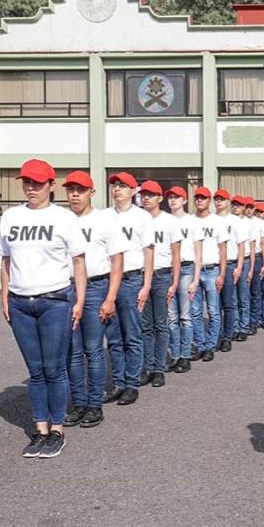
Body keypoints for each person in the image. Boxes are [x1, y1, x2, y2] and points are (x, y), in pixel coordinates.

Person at [0, 158, 86, 459]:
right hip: (21, 303)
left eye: (37, 183)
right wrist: (5, 296)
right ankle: (40, 430)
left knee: (54, 369)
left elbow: (78, 261)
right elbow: (6, 260)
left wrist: (80, 301)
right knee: (35, 371)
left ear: (51, 185)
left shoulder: (64, 219)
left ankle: (58, 429)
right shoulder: (11, 217)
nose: (31, 187)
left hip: (55, 301)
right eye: (26, 182)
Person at [63, 171, 124, 429]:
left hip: (96, 286)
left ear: (92, 192)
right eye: (71, 190)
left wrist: (110, 297)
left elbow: (117, 261)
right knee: (72, 352)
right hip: (65, 288)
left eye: (81, 190)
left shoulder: (105, 221)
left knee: (94, 349)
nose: (75, 194)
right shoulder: (61, 220)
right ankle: (78, 403)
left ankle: (94, 405)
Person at [103, 172, 154, 406]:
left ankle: (132, 383)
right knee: (113, 336)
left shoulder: (142, 217)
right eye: (115, 185)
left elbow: (149, 252)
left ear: (134, 191)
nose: (117, 190)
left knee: (132, 334)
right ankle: (119, 382)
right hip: (108, 280)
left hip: (132, 279)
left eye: (123, 186)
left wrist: (146, 285)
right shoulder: (103, 216)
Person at [141, 180, 181, 387]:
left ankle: (159, 368)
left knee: (161, 324)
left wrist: (174, 283)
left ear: (160, 198)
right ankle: (147, 367)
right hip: (140, 277)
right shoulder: (137, 219)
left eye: (151, 194)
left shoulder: (170, 222)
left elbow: (176, 255)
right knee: (145, 326)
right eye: (143, 194)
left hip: (162, 276)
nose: (146, 198)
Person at [165, 186, 203, 373]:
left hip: (187, 268)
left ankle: (186, 355)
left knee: (185, 316)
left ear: (184, 200)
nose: (173, 200)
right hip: (169, 270)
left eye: (177, 197)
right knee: (171, 317)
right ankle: (176, 354)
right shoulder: (164, 221)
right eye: (170, 197)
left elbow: (198, 253)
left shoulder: (193, 222)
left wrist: (196, 279)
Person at [189, 186, 227, 362]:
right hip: (194, 271)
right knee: (195, 311)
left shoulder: (217, 222)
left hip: (212, 270)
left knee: (213, 310)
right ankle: (201, 345)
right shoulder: (190, 221)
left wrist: (222, 274)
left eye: (203, 198)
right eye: (197, 198)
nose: (199, 201)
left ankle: (211, 345)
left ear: (209, 201)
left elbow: (223, 249)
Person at [213, 189, 244, 352]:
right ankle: (216, 336)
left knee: (228, 303)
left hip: (231, 264)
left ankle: (227, 337)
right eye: (216, 199)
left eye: (222, 200)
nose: (218, 202)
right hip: (214, 265)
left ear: (227, 202)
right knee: (214, 305)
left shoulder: (236, 221)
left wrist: (239, 266)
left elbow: (241, 245)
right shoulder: (210, 219)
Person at [243, 197, 264, 334]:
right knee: (243, 293)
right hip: (243, 258)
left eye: (250, 207)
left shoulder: (259, 223)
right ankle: (244, 322)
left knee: (255, 291)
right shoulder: (240, 222)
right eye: (246, 207)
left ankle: (253, 322)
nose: (248, 210)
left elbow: (263, 244)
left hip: (257, 258)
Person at [232, 195, 255, 342]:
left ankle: (244, 327)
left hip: (245, 261)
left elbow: (252, 247)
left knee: (243, 296)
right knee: (232, 298)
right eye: (233, 204)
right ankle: (234, 327)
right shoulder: (226, 221)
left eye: (239, 205)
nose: (235, 207)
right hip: (231, 261)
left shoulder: (248, 224)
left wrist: (252, 268)